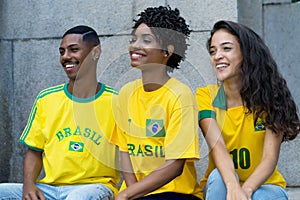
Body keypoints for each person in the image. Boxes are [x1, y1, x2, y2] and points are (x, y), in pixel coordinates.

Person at [0, 25, 120, 200]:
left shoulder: (116, 102)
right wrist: (28, 186)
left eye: (74, 50)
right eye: (62, 51)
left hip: (95, 187)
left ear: (95, 52)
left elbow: (129, 153)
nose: (66, 57)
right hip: (49, 189)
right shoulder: (46, 99)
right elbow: (34, 151)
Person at [195, 20, 300, 200]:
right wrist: (233, 187)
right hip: (222, 184)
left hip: (265, 186)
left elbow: (269, 158)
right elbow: (218, 147)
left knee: (265, 197)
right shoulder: (205, 96)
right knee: (218, 179)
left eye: (226, 48)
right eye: (213, 51)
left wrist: (246, 191)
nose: (217, 56)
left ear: (246, 53)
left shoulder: (270, 97)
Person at [110, 6, 201, 200]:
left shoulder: (180, 95)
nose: (135, 46)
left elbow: (175, 166)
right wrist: (131, 193)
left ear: (167, 51)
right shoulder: (126, 93)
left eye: (146, 40)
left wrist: (128, 195)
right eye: (134, 39)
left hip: (174, 193)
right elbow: (124, 152)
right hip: (134, 192)